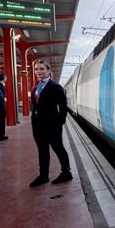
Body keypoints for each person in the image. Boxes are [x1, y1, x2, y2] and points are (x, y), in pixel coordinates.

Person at [29, 59, 72, 187]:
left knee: (58, 149)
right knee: (42, 150)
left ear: (48, 71)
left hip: (52, 125)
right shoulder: (35, 87)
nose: (38, 71)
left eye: (42, 69)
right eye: (36, 69)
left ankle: (66, 172)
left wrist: (59, 123)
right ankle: (43, 176)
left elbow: (63, 108)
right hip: (37, 125)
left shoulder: (55, 87)